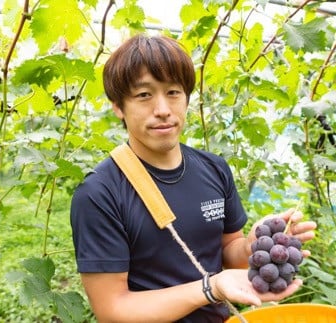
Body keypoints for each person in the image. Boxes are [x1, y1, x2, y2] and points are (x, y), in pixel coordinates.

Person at [70, 33, 317, 322]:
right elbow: (113, 310)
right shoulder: (100, 193)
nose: (163, 110)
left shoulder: (214, 168)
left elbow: (227, 252)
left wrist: (252, 247)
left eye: (173, 92)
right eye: (144, 95)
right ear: (118, 106)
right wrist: (209, 289)